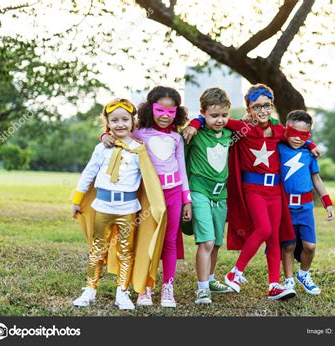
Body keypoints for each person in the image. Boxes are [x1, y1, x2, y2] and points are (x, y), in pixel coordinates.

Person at [184, 83, 321, 300]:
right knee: (264, 228)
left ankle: (274, 285)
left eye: (267, 105)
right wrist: (193, 122)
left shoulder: (278, 130)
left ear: (272, 105)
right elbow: (210, 118)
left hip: (275, 190)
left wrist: (311, 145)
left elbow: (297, 137)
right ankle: (235, 272)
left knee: (274, 237)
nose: (263, 110)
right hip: (253, 189)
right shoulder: (242, 128)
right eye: (257, 107)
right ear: (249, 109)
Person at [71, 98, 166, 310]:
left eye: (125, 119)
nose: (120, 124)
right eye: (114, 120)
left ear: (133, 122)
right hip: (103, 207)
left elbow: (149, 179)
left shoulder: (139, 149)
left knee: (126, 251)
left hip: (128, 209)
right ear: (107, 122)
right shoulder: (101, 148)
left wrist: (157, 205)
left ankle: (122, 292)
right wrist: (77, 200)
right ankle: (90, 289)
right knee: (97, 250)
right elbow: (88, 173)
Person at [102, 86, 191, 308]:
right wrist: (104, 135)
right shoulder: (139, 133)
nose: (164, 116)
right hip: (149, 194)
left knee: (170, 241)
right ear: (150, 109)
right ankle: (145, 287)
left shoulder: (177, 138)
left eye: (171, 112)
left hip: (173, 193)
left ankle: (168, 287)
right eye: (160, 110)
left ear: (177, 113)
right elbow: (118, 133)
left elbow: (182, 167)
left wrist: (186, 199)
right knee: (147, 241)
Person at [184, 87, 234, 304]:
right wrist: (194, 124)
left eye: (224, 115)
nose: (220, 120)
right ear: (202, 112)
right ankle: (202, 288)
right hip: (199, 192)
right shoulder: (194, 134)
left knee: (216, 243)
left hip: (220, 195)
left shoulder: (231, 134)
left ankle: (211, 280)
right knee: (206, 241)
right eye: (214, 115)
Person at [279, 110, 334, 295]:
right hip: (285, 207)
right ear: (286, 129)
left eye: (303, 135)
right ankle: (288, 281)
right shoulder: (278, 148)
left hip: (306, 207)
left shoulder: (309, 154)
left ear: (309, 135)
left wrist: (327, 203)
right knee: (288, 245)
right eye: (293, 132)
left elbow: (316, 179)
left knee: (310, 246)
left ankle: (303, 274)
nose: (297, 138)